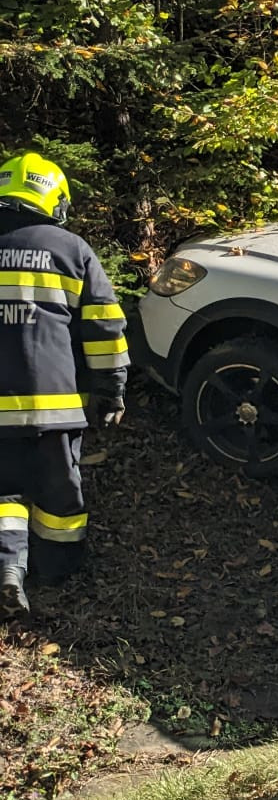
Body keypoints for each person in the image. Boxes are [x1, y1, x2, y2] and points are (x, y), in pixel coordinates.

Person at [0, 153, 127, 616]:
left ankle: (9, 567)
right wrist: (112, 392)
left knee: (4, 489)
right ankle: (57, 569)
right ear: (53, 198)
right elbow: (105, 328)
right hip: (53, 404)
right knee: (59, 491)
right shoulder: (73, 250)